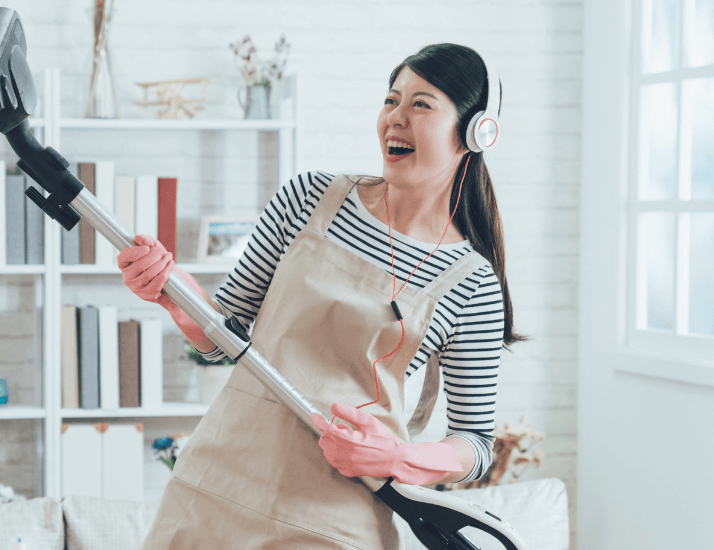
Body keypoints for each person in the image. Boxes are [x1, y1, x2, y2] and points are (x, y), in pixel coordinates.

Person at [123, 43, 526, 549]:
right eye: (390, 100)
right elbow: (222, 331)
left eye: (421, 105)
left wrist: (399, 458)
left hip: (335, 517)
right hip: (216, 483)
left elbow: (475, 445)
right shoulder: (309, 198)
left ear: (475, 133)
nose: (395, 119)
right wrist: (171, 293)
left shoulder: (471, 282)